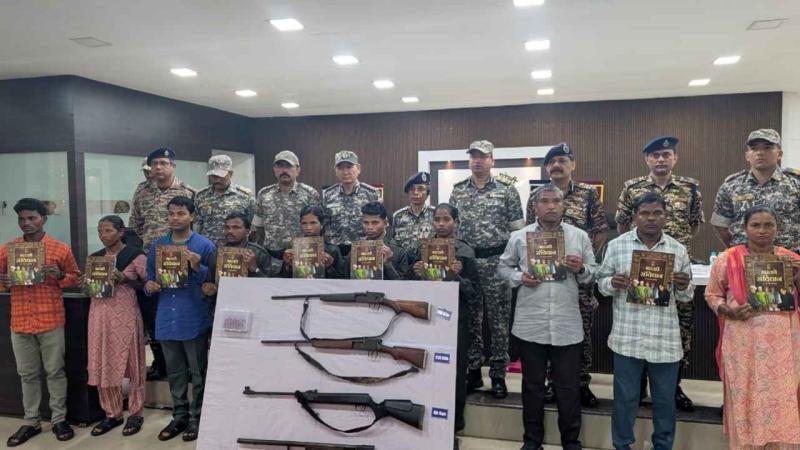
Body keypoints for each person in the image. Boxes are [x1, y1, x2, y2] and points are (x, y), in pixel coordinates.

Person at [501, 185, 596, 450]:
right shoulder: (519, 237)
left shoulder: (579, 236)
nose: (551, 206)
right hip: (530, 323)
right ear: (535, 207)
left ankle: (571, 442)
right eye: (545, 201)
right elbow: (503, 267)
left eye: (556, 201)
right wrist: (519, 277)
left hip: (566, 325)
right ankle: (532, 441)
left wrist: (581, 269)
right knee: (532, 387)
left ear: (564, 205)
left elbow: (593, 273)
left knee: (568, 387)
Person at [597, 192, 693, 450]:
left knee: (664, 401)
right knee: (625, 400)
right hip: (628, 337)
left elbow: (686, 295)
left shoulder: (677, 249)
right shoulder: (617, 246)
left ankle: (662, 446)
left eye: (657, 213)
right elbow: (601, 284)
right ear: (634, 217)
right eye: (645, 213)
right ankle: (622, 445)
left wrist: (683, 285)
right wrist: (612, 282)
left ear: (665, 216)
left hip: (664, 339)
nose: (651, 218)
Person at [615, 136, 703, 411]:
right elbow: (622, 224)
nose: (661, 159)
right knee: (639, 326)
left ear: (675, 158)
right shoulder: (632, 187)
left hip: (675, 268)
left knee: (680, 330)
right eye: (655, 155)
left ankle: (672, 386)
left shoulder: (690, 188)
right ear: (647, 159)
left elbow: (694, 225)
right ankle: (638, 386)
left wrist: (676, 250)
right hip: (641, 268)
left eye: (666, 154)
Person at [705, 205, 800, 449]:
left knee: (781, 396)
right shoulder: (728, 259)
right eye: (755, 225)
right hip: (742, 341)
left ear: (777, 228)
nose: (762, 230)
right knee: (745, 393)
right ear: (745, 228)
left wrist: (797, 278)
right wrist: (729, 311)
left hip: (784, 344)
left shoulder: (790, 259)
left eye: (768, 225)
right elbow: (712, 294)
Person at [525, 142, 608, 407]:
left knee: (581, 330)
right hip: (546, 277)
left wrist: (584, 258)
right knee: (548, 328)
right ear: (546, 167)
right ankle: (552, 383)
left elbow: (600, 230)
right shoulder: (536, 195)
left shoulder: (588, 194)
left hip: (578, 277)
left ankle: (581, 383)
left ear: (573, 165)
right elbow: (530, 233)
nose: (557, 165)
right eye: (552, 162)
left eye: (562, 160)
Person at [0, 198, 80, 446]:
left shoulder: (59, 248)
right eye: (22, 219)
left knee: (55, 371)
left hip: (50, 319)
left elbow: (75, 277)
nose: (26, 223)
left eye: (32, 218)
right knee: (28, 374)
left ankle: (59, 419)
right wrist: (4, 282)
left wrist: (60, 276)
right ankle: (31, 421)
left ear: (43, 219)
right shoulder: (8, 249)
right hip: (21, 321)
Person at [449, 139, 525, 398]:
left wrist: (514, 264)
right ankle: (473, 371)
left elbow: (518, 232)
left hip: (497, 262)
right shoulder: (458, 191)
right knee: (471, 319)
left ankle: (498, 374)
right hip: (468, 264)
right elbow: (452, 228)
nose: (477, 161)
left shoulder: (507, 190)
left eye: (482, 156)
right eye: (473, 156)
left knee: (498, 322)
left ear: (492, 160)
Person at [143, 196, 215, 442]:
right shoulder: (158, 246)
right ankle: (179, 416)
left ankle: (197, 417)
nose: (175, 218)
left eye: (181, 213)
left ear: (191, 216)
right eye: (171, 213)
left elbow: (212, 284)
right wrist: (150, 286)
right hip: (167, 317)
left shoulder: (205, 246)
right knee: (174, 372)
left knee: (198, 372)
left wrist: (197, 267)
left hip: (193, 317)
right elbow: (149, 279)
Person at [411, 203, 479, 450]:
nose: (440, 224)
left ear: (456, 222)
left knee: (455, 372)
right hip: (426, 317)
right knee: (427, 369)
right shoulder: (422, 249)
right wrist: (416, 272)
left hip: (455, 320)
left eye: (446, 219)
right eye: (437, 219)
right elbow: (409, 288)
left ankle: (454, 426)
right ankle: (426, 421)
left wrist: (455, 276)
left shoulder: (465, 252)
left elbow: (473, 293)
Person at [130, 148, 195, 380]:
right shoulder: (142, 191)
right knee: (153, 313)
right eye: (155, 163)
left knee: (181, 311)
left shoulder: (187, 192)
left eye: (164, 163)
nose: (159, 167)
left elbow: (194, 226)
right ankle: (160, 363)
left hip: (181, 260)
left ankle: (187, 365)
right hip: (151, 258)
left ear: (172, 166)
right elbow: (136, 224)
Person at [82, 215, 147, 437]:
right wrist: (85, 284)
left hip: (126, 315)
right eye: (100, 231)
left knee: (134, 364)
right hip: (99, 316)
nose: (103, 235)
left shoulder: (135, 255)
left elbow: (147, 285)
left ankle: (136, 412)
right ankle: (112, 413)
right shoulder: (95, 258)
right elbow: (90, 289)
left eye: (108, 231)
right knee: (104, 362)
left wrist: (125, 279)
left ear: (120, 232)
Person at [712, 128, 800, 253]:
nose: (760, 153)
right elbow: (720, 225)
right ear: (747, 156)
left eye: (767, 148)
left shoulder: (796, 183)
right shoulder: (731, 185)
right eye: (754, 148)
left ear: (779, 154)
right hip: (745, 259)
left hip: (788, 259)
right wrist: (738, 247)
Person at [251, 150, 320, 260]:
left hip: (301, 255)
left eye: (288, 166)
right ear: (274, 170)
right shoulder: (264, 194)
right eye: (279, 166)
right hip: (270, 255)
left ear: (298, 170)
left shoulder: (310, 194)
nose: (284, 170)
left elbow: (317, 227)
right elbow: (258, 225)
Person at [201, 212, 282, 297]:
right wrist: (209, 288)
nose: (230, 231)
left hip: (253, 300)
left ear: (247, 232)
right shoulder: (216, 254)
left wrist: (255, 269)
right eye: (227, 227)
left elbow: (269, 287)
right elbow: (209, 283)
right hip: (224, 301)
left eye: (236, 227)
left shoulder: (260, 253)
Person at [323, 150, 380, 255]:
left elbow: (380, 225)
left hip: (363, 250)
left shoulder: (372, 194)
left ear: (358, 168)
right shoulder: (327, 194)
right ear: (335, 170)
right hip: (335, 252)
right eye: (340, 168)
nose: (345, 172)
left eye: (349, 167)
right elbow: (323, 225)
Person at [194, 155, 255, 248]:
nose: (217, 179)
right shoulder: (201, 195)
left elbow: (252, 226)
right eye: (214, 176)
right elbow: (197, 225)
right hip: (208, 249)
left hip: (235, 250)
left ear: (230, 174)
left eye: (221, 176)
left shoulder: (245, 196)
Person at [347, 201, 410, 280]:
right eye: (366, 223)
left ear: (385, 223)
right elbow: (343, 278)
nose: (370, 227)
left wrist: (388, 264)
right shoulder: (355, 249)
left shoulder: (398, 251)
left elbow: (403, 284)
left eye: (375, 223)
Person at [281, 205, 347, 279]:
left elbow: (343, 280)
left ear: (321, 224)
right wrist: (287, 265)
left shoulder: (332, 250)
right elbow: (282, 279)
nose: (308, 227)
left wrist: (329, 267)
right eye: (304, 223)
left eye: (313, 223)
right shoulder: (293, 248)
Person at [391, 171, 435, 258]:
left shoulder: (435, 214)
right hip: (404, 264)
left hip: (429, 262)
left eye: (421, 189)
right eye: (412, 189)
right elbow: (393, 244)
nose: (415, 192)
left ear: (427, 193)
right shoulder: (398, 216)